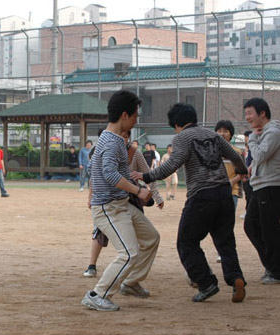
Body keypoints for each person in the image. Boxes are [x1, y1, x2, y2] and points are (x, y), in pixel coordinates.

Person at [132, 103, 247, 303]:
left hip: (202, 196)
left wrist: (146, 176)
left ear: (177, 124)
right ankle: (236, 277)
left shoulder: (182, 137)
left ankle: (206, 283)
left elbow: (173, 164)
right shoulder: (214, 136)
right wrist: (242, 170)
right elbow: (235, 156)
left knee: (186, 242)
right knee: (226, 241)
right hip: (224, 193)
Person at [81, 90, 159, 312]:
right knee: (129, 252)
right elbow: (109, 174)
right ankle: (97, 294)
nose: (136, 120)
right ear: (125, 115)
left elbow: (112, 173)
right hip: (108, 208)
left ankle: (130, 282)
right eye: (135, 116)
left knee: (151, 238)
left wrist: (138, 188)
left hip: (121, 205)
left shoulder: (114, 140)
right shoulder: (111, 142)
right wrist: (138, 191)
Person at [83, 129, 164, 278]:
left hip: (130, 200)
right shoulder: (102, 151)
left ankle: (131, 277)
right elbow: (94, 177)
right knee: (100, 233)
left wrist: (156, 196)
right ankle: (92, 266)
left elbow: (148, 175)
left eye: (126, 136)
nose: (123, 139)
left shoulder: (134, 153)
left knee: (140, 238)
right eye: (121, 136)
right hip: (106, 202)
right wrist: (90, 197)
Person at [243, 98, 280, 284]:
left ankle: (275, 270)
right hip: (261, 186)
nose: (247, 117)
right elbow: (260, 159)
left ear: (262, 113)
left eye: (250, 113)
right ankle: (272, 266)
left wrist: (252, 139)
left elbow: (260, 154)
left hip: (270, 186)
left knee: (269, 230)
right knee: (252, 225)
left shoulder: (273, 132)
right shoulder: (264, 132)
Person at [240, 130, 253, 219]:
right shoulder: (247, 149)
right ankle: (248, 211)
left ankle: (249, 212)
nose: (245, 140)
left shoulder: (253, 149)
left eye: (246, 138)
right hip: (246, 176)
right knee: (248, 196)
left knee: (250, 196)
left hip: (251, 177)